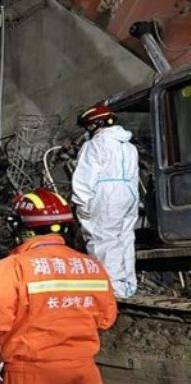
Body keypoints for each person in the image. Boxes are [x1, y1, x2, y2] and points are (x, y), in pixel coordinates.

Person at [0, 188, 118, 384]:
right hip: (84, 373)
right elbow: (106, 319)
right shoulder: (91, 266)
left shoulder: (10, 267)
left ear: (22, 227)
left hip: (33, 376)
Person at [72, 103, 139, 298]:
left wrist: (81, 201)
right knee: (125, 238)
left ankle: (112, 289)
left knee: (103, 239)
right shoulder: (129, 146)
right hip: (128, 194)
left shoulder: (95, 145)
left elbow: (85, 175)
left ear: (93, 125)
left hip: (106, 194)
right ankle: (128, 285)